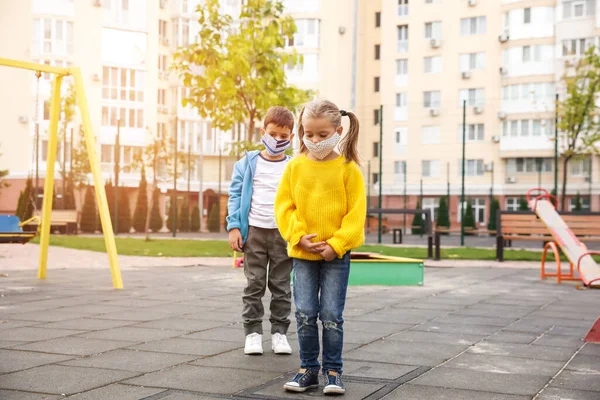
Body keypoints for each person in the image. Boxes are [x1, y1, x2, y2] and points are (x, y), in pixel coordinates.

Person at [274, 100, 366, 395]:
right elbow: (284, 207)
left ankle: (334, 372)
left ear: (338, 131)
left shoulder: (349, 169)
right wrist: (297, 236)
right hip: (303, 254)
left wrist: (336, 244)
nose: (314, 141)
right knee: (304, 311)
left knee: (330, 315)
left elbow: (356, 214)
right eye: (309, 134)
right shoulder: (295, 167)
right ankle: (308, 369)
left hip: (335, 255)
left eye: (323, 134)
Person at [226, 106, 295, 356]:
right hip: (253, 232)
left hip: (283, 234)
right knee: (254, 284)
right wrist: (234, 226)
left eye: (283, 136)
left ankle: (279, 333)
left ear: (291, 138)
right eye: (273, 133)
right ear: (263, 131)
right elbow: (235, 195)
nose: (277, 140)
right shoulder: (247, 162)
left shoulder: (293, 166)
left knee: (281, 286)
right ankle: (253, 333)